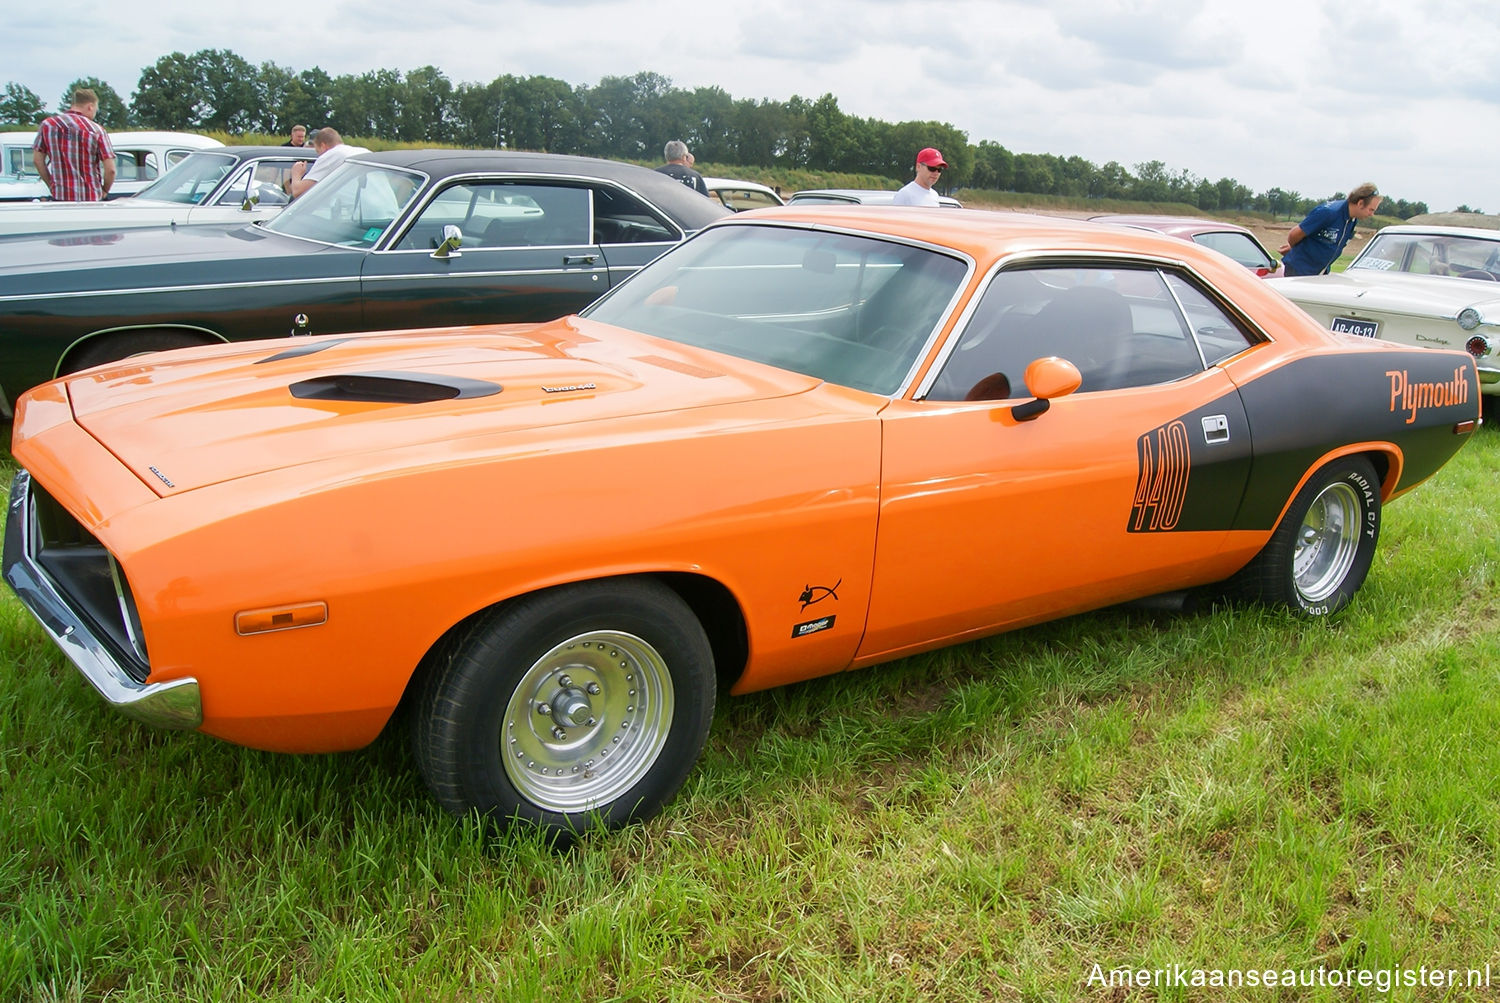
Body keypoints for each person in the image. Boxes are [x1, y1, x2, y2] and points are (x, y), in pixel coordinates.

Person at [1280, 183, 1383, 276]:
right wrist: (1297, 250)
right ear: (1360, 203)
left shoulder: (1352, 220)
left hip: (1318, 274)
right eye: (1371, 210)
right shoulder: (1329, 212)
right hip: (1296, 272)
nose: (1371, 214)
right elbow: (1294, 234)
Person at [32, 87, 116, 202]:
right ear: (90, 107)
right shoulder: (97, 130)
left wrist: (51, 185)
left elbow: (37, 160)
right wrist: (105, 191)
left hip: (60, 196)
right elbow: (111, 170)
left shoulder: (47, 125)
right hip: (91, 197)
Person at [287, 128, 368, 199]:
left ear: (323, 146)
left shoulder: (331, 155)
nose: (319, 155)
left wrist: (296, 174)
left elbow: (298, 192)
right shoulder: (364, 151)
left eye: (318, 151)